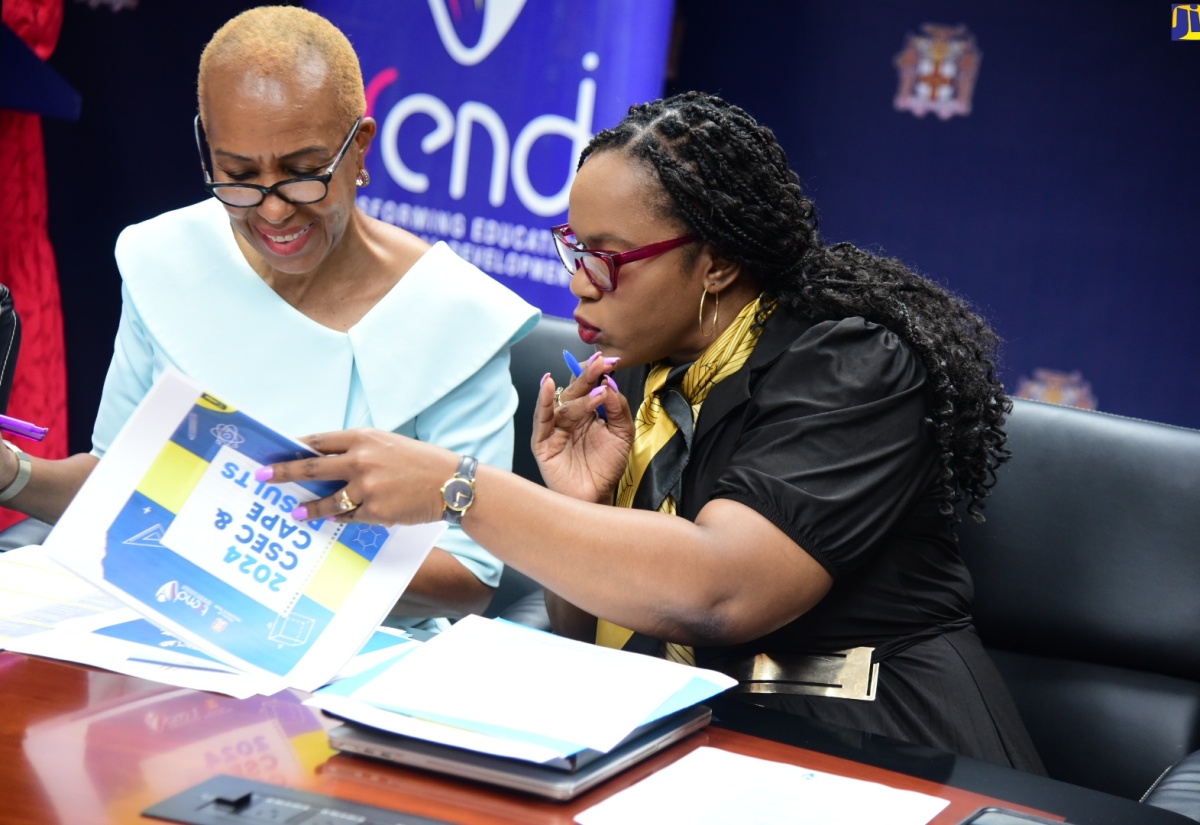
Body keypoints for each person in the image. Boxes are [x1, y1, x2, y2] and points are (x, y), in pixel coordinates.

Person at [255, 91, 1044, 772]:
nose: (577, 282)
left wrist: (459, 488)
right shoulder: (639, 366)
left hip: (876, 744)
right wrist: (585, 506)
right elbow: (598, 634)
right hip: (697, 737)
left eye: (609, 256)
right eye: (574, 248)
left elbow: (719, 590)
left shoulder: (853, 362)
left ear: (718, 264)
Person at [0, 6, 539, 631]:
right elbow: (117, 479)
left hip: (354, 660)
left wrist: (246, 545)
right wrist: (14, 472)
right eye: (238, 175)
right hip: (161, 629)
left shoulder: (456, 317)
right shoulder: (163, 259)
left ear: (359, 146)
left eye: (303, 173)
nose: (274, 210)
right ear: (207, 148)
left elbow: (468, 578)